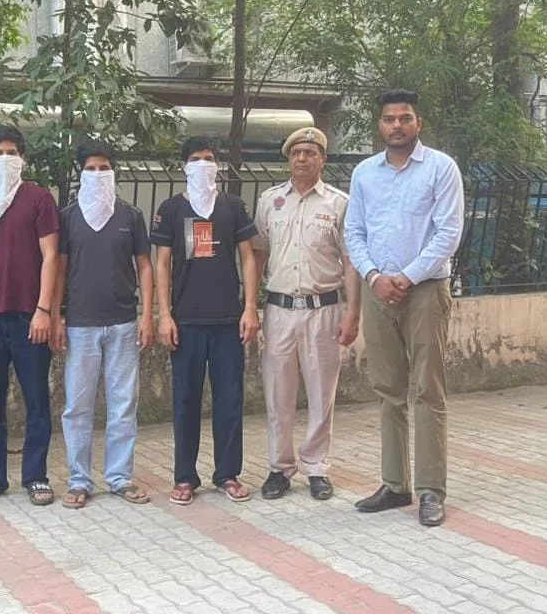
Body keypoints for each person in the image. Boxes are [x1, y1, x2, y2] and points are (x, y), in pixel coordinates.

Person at [344, 89, 464, 527]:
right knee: (388, 389)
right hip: (378, 291)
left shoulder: (441, 168)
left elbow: (448, 233)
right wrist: (374, 276)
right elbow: (354, 232)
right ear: (380, 125)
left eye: (405, 118)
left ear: (418, 123)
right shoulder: (364, 173)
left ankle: (431, 490)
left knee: (427, 389)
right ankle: (395, 485)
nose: (397, 125)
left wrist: (407, 277)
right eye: (390, 119)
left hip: (425, 290)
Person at [252, 127, 361, 502]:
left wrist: (352, 312)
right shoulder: (270, 201)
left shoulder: (339, 204)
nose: (302, 158)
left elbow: (351, 261)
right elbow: (258, 254)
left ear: (323, 160)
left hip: (324, 310)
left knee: (321, 394)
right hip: (279, 310)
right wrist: (249, 305)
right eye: (296, 153)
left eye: (310, 153)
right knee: (277, 394)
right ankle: (279, 467)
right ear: (288, 159)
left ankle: (316, 467)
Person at [151, 136, 260, 506]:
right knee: (185, 402)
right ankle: (185, 477)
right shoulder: (171, 209)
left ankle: (227, 474)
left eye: (209, 158)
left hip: (228, 320)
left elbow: (248, 257)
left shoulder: (233, 206)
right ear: (185, 166)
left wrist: (250, 307)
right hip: (186, 321)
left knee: (230, 400)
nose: (203, 164)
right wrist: (164, 314)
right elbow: (162, 262)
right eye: (196, 159)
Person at [49, 140, 155, 509]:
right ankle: (79, 480)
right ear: (81, 173)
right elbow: (59, 269)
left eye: (104, 168)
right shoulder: (68, 217)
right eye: (90, 168)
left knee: (123, 404)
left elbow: (145, 266)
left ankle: (120, 477)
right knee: (77, 406)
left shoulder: (130, 216)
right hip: (80, 325)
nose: (98, 174)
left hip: (123, 323)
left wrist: (147, 315)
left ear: (113, 172)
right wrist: (55, 316)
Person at [0, 125, 60, 506]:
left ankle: (36, 476)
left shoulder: (39, 199)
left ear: (23, 158)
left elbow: (51, 256)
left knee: (36, 400)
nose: (5, 159)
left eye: (12, 152)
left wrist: (44, 310)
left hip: (28, 317)